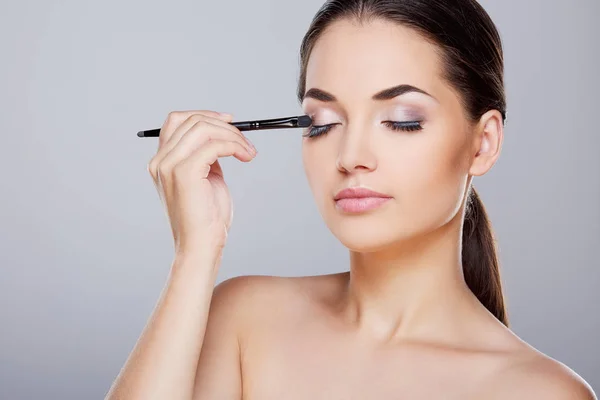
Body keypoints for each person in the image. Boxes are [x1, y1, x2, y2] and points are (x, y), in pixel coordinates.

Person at [106, 0, 596, 399]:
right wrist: (195, 254)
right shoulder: (244, 318)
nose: (351, 156)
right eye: (321, 123)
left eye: (402, 119)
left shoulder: (539, 391)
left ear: (483, 143)